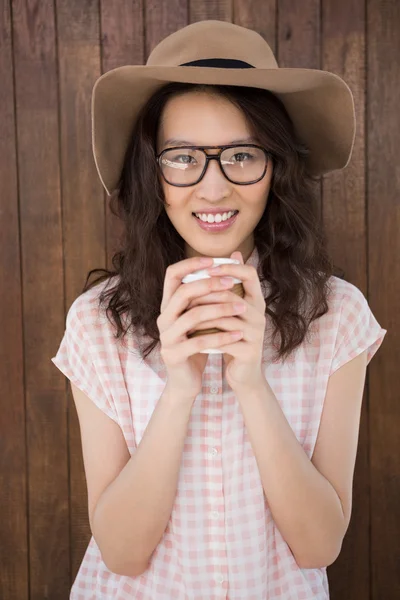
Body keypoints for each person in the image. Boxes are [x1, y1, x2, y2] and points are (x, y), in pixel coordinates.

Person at [51, 20, 387, 600]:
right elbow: (124, 556)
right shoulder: (97, 323)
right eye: (182, 158)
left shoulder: (337, 316)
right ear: (151, 175)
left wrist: (252, 384)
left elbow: (319, 546)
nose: (212, 189)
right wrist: (178, 388)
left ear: (275, 167)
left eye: (240, 154)